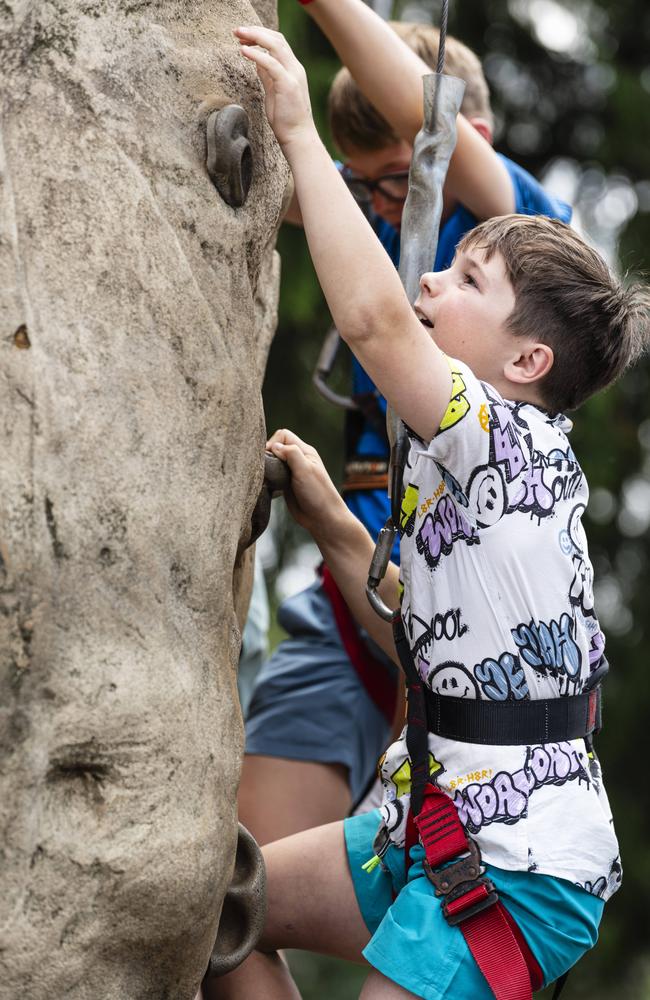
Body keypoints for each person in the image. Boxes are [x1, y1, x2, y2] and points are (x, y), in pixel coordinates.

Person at [206, 24, 649, 1000]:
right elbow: (425, 637)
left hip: (520, 864)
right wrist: (331, 522)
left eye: (466, 280)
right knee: (216, 911)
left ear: (526, 359)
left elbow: (367, 321)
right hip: (430, 810)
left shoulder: (496, 430)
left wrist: (296, 128)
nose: (431, 279)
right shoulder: (485, 460)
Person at [241, 1, 571, 846]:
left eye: (401, 181)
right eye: (365, 188)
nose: (387, 210)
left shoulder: (508, 238)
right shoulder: (372, 214)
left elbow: (435, 125)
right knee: (239, 889)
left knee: (443, 898)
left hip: (475, 625)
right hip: (356, 582)